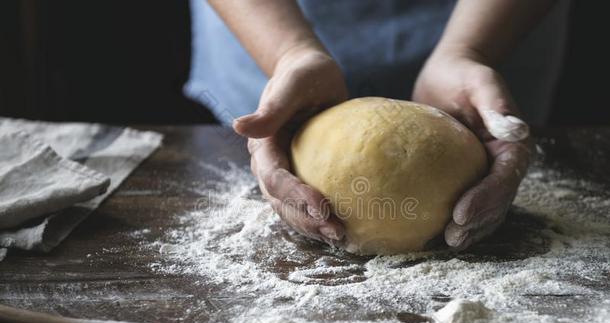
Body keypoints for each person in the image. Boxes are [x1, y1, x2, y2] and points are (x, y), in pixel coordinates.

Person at [184, 0, 570, 251]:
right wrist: (288, 52)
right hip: (271, 22)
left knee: (491, 127)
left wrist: (471, 50)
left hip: (490, 22)